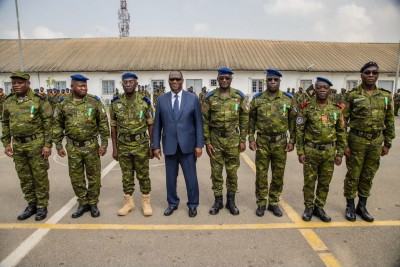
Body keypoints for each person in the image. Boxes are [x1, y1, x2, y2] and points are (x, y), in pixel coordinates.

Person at [343, 62, 395, 222]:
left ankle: (362, 206)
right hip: (356, 140)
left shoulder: (385, 96)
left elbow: (389, 119)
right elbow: (342, 122)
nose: (371, 75)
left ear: (378, 75)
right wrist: (344, 144)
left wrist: (387, 143)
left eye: (374, 72)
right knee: (353, 174)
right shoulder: (352, 96)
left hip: (376, 141)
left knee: (368, 175)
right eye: (367, 72)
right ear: (361, 75)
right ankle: (350, 206)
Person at [53, 74, 110, 218]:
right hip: (73, 147)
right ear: (72, 86)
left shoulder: (94, 102)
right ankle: (83, 203)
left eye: (85, 85)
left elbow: (103, 124)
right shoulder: (63, 104)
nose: (83, 88)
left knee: (94, 176)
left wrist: (104, 144)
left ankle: (93, 203)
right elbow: (57, 125)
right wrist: (59, 145)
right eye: (80, 85)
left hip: (91, 146)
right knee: (76, 177)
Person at [1, 72, 53, 221]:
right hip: (18, 145)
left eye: (20, 82)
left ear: (28, 83)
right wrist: (6, 143)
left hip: (36, 144)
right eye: (14, 83)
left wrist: (47, 145)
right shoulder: (8, 101)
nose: (16, 85)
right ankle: (31, 204)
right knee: (24, 177)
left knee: (39, 176)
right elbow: (4, 122)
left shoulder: (39, 100)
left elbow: (48, 124)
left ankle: (42, 206)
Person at [152, 71, 204, 218]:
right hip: (169, 146)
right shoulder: (161, 100)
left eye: (177, 79)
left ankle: (193, 204)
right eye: (172, 79)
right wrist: (155, 146)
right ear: (168, 82)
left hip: (188, 146)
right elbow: (157, 125)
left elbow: (199, 124)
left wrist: (199, 144)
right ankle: (172, 203)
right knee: (170, 178)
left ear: (182, 81)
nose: (174, 82)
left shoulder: (192, 99)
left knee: (191, 178)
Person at [296, 77, 346, 222]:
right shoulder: (306, 108)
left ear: (329, 90)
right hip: (311, 150)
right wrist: (300, 152)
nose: (322, 90)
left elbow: (341, 132)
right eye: (319, 87)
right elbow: (300, 131)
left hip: (329, 151)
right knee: (309, 181)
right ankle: (308, 207)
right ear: (314, 90)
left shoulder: (336, 110)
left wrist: (340, 153)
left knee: (325, 182)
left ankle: (319, 207)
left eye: (325, 87)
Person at [248, 69, 296, 217]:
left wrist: (292, 141)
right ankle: (261, 203)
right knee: (261, 174)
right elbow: (251, 120)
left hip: (280, 142)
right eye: (270, 80)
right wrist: (251, 138)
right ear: (266, 81)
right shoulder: (257, 99)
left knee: (278, 175)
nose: (273, 82)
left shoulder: (288, 99)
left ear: (279, 81)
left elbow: (293, 122)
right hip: (262, 141)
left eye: (275, 79)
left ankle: (274, 203)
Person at [202, 67, 248, 215]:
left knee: (232, 172)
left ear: (231, 80)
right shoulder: (210, 98)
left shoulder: (239, 97)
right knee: (216, 172)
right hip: (215, 140)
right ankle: (217, 201)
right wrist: (207, 142)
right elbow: (204, 121)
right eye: (221, 78)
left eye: (227, 78)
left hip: (233, 139)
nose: (224, 80)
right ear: (217, 79)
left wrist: (242, 140)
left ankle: (231, 201)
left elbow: (244, 119)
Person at [110, 73, 154, 217]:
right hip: (123, 145)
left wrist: (151, 145)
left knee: (143, 174)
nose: (128, 84)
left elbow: (150, 124)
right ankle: (128, 203)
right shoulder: (115, 103)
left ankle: (146, 202)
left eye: (131, 82)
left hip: (141, 144)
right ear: (122, 84)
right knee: (126, 175)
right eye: (125, 82)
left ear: (136, 84)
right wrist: (115, 148)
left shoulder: (145, 102)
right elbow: (114, 126)